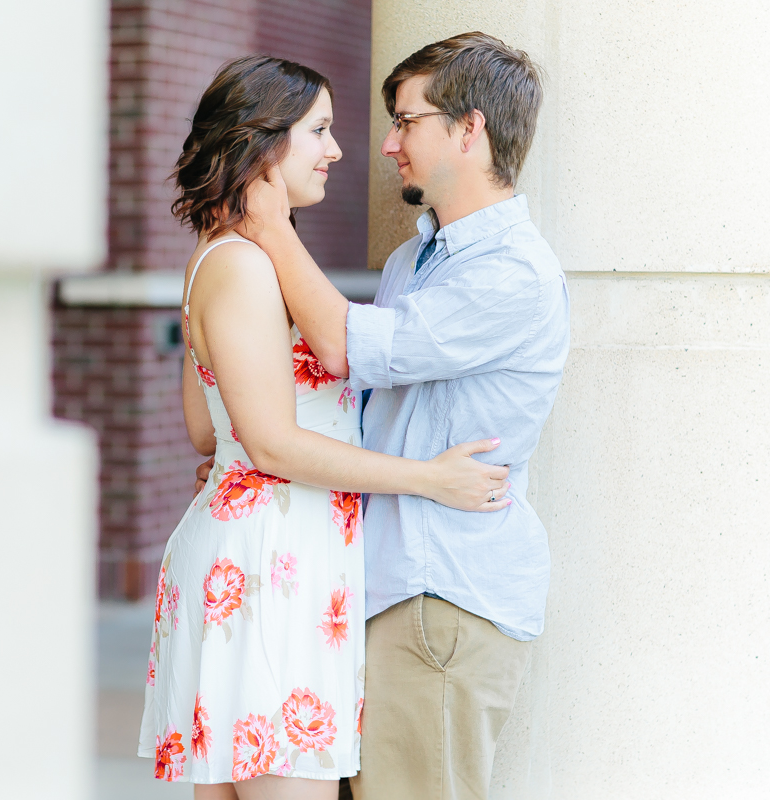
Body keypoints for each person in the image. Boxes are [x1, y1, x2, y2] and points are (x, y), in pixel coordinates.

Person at [140, 54, 514, 800]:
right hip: (269, 568)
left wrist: (252, 449)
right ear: (263, 142)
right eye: (319, 130)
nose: (339, 149)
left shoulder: (222, 257)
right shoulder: (245, 265)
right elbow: (270, 441)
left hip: (265, 556)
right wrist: (430, 479)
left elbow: (209, 432)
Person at [231, 33, 570, 800]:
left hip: (440, 594)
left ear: (470, 129)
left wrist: (270, 225)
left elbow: (349, 347)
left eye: (406, 121)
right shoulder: (413, 260)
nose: (387, 145)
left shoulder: (511, 272)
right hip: (385, 582)